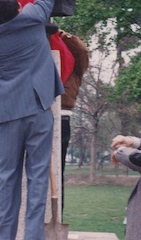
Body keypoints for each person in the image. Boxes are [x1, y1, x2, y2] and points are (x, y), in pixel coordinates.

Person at [0, 0, 64, 239]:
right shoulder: (34, 15)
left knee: (7, 180)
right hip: (38, 109)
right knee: (38, 180)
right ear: (18, 9)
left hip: (8, 114)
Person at [57, 29, 89, 217]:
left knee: (56, 171)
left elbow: (81, 51)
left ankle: (56, 217)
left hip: (60, 116)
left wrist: (62, 35)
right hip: (36, 115)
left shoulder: (76, 66)